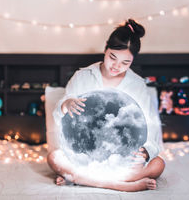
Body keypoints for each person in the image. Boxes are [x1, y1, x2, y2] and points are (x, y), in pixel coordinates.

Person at [47, 19, 165, 192]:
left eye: (125, 63)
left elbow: (151, 127)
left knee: (158, 164)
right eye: (112, 57)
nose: (117, 66)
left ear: (132, 61)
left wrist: (145, 153)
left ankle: (79, 179)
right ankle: (119, 185)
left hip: (121, 158)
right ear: (105, 49)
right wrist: (66, 104)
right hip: (84, 156)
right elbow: (59, 118)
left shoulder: (137, 85)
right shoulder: (82, 77)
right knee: (53, 157)